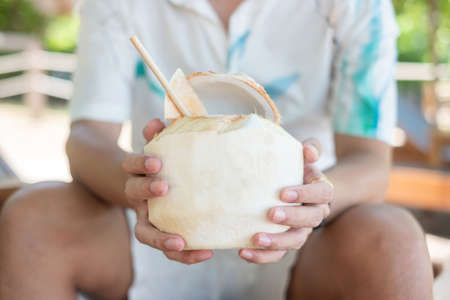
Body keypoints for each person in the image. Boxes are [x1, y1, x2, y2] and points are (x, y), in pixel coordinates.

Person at [0, 0, 434, 299]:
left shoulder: (358, 7)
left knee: (392, 239)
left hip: (304, 246)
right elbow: (87, 138)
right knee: (33, 218)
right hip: (146, 233)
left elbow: (372, 162)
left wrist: (315, 199)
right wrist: (135, 185)